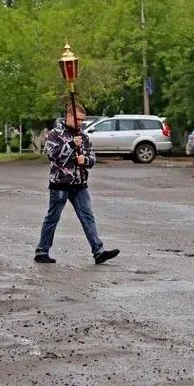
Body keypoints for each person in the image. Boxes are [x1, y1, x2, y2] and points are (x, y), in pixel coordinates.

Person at [36, 103, 119, 265]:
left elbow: (92, 158)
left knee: (87, 217)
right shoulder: (55, 134)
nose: (80, 122)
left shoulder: (84, 136)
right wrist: (71, 145)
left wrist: (85, 160)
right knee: (53, 217)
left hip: (80, 184)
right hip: (60, 183)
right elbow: (52, 155)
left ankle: (98, 251)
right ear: (69, 116)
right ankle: (42, 251)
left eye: (82, 120)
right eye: (78, 119)